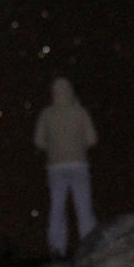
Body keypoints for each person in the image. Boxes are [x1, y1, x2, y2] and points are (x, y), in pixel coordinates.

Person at [33, 76, 99, 257]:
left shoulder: (47, 114)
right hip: (78, 164)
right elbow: (93, 139)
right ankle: (88, 246)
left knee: (57, 208)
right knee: (83, 207)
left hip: (55, 167)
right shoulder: (80, 112)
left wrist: (54, 148)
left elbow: (38, 142)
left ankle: (57, 249)